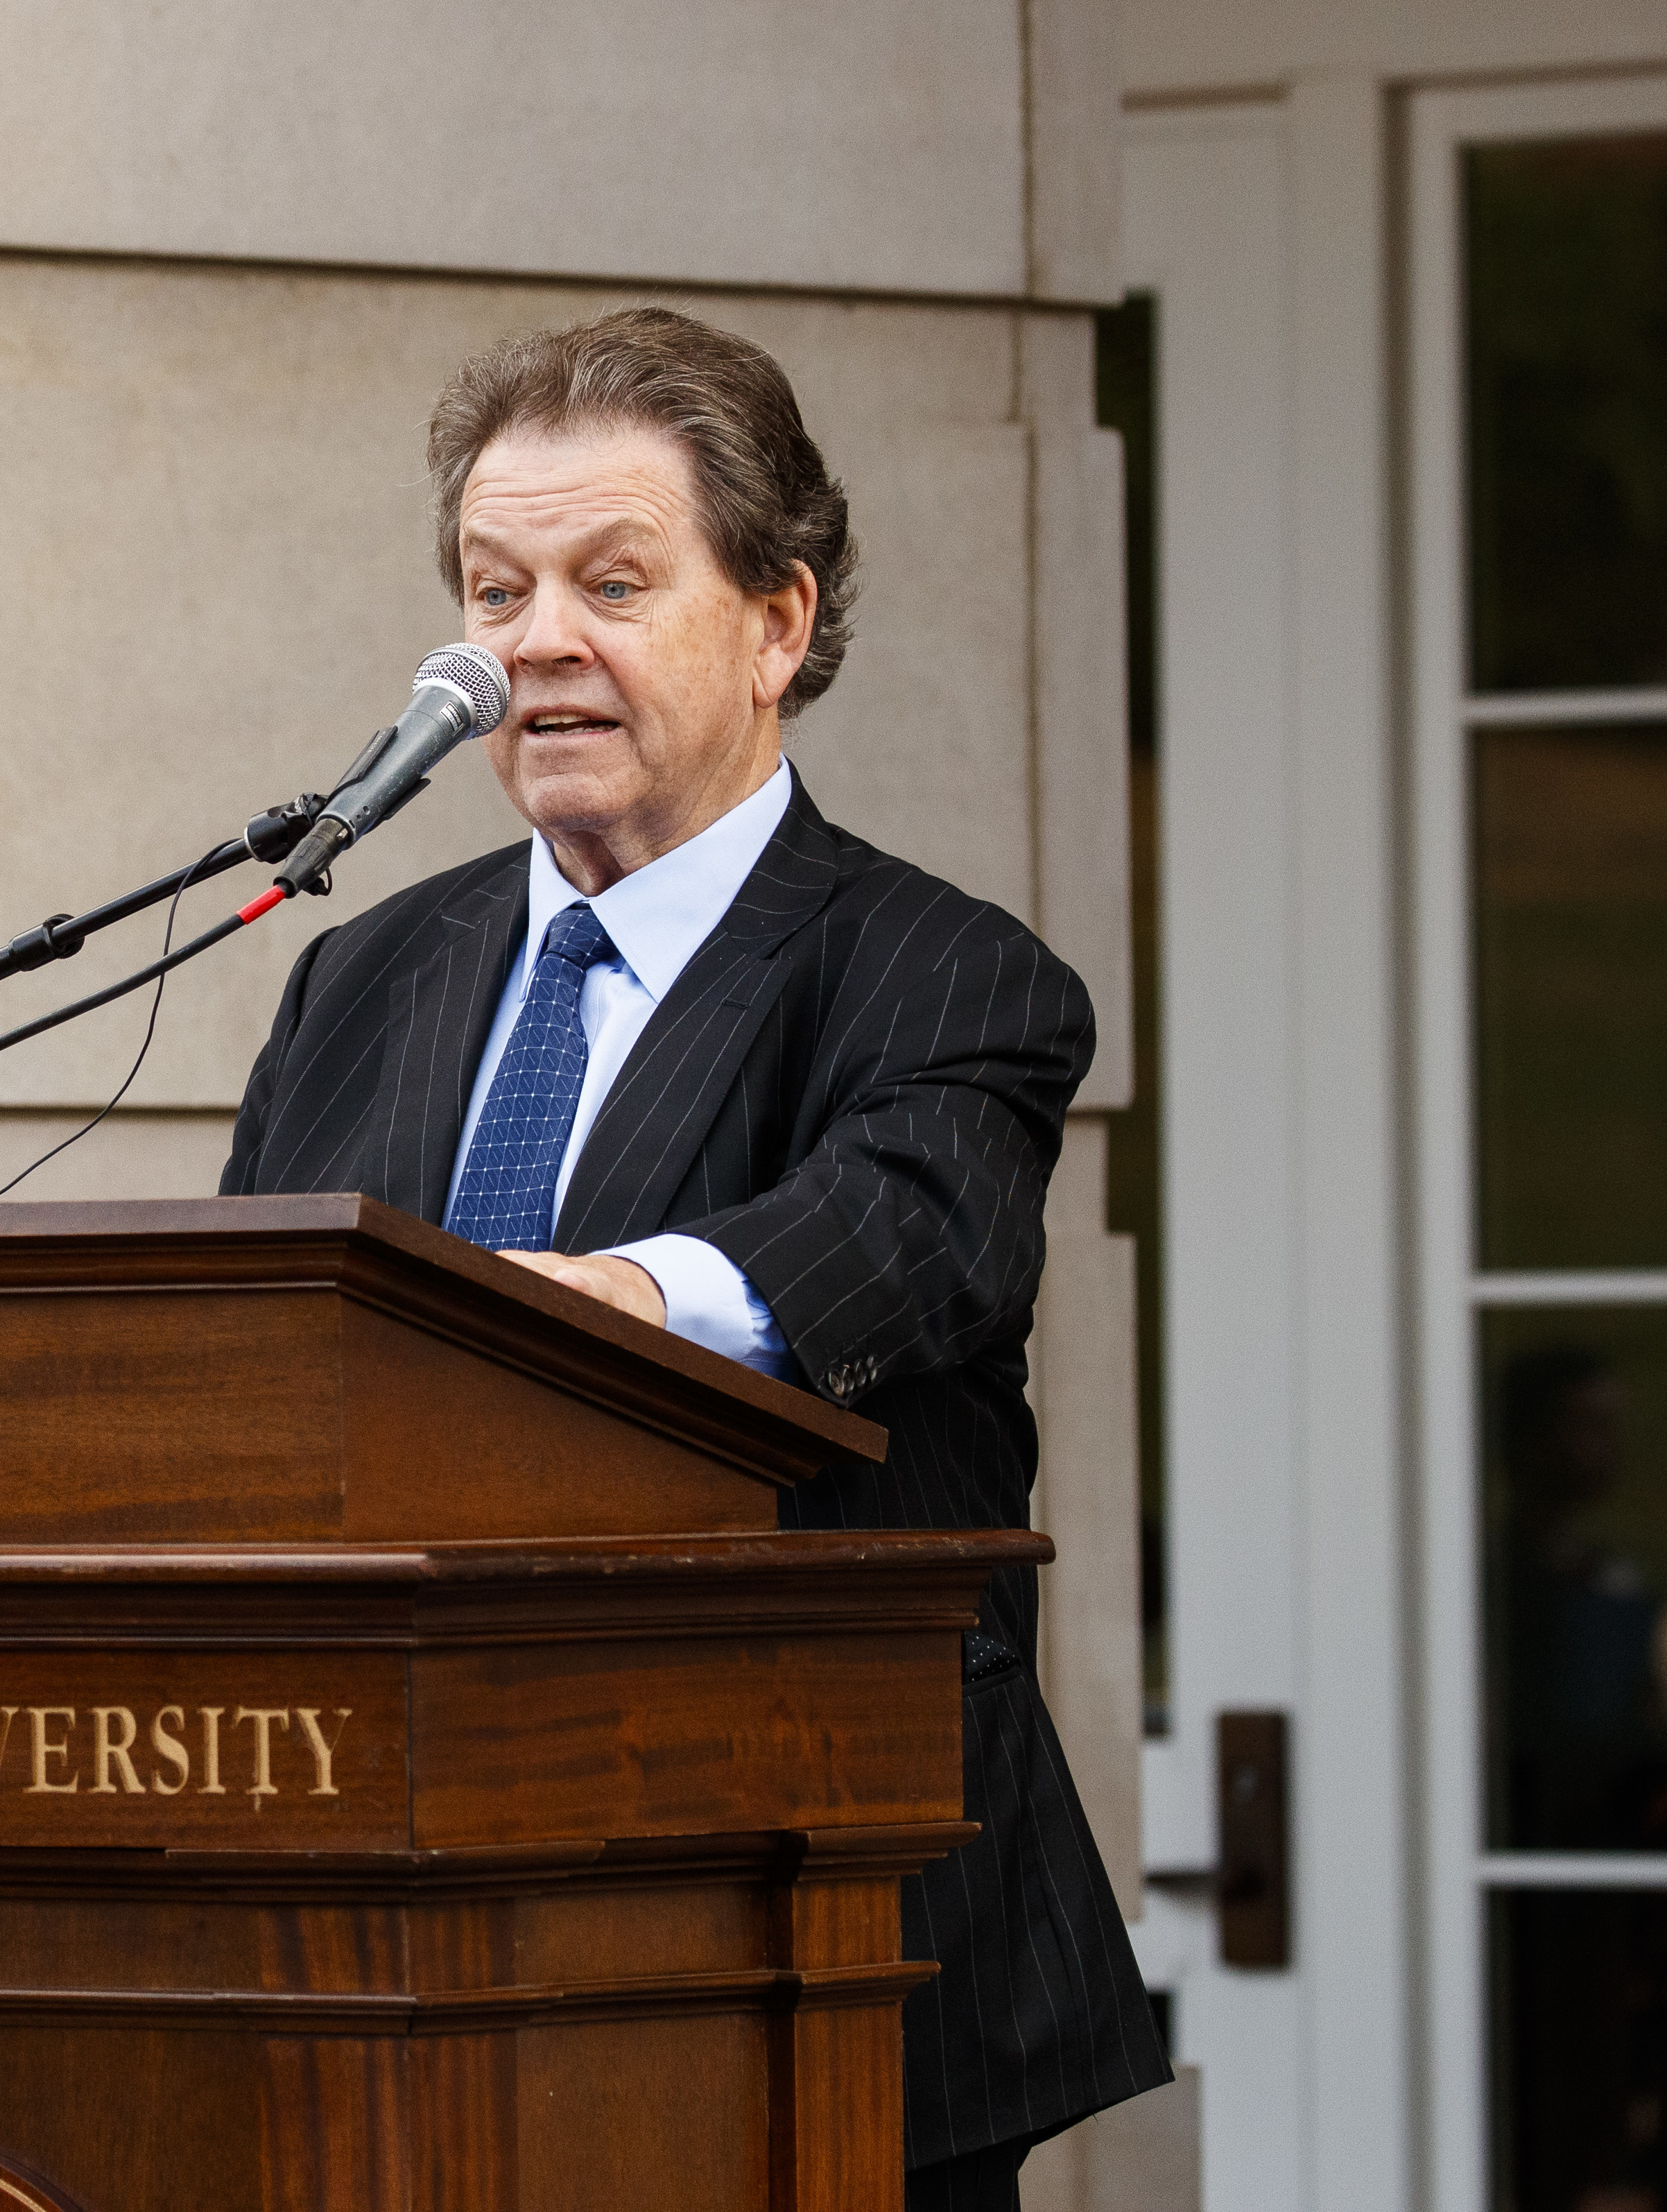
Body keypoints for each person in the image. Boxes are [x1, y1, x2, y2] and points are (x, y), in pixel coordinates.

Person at [221, 307, 1168, 2206]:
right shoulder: (364, 974)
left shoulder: (941, 972)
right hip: (377, 1966)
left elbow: (910, 1234)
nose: (533, 643)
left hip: (796, 1949)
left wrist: (601, 1311)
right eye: (497, 590)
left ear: (779, 624)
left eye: (612, 582)